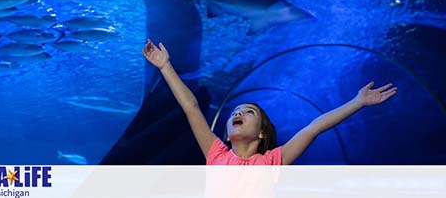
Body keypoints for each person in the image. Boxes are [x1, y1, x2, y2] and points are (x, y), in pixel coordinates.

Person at [142, 39, 398, 165]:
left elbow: (315, 127)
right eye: (235, 113)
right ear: (227, 134)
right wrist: (165, 67)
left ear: (262, 132)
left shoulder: (273, 161)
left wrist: (357, 102)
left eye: (248, 112)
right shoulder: (216, 153)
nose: (237, 113)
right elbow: (191, 107)